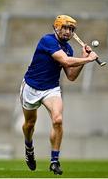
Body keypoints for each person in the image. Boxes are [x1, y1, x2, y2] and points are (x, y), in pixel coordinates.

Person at [20, 15, 98, 175]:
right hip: (31, 87)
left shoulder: (68, 49)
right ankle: (29, 147)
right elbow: (67, 61)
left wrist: (84, 59)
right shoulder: (47, 40)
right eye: (65, 28)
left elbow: (71, 76)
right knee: (29, 124)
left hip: (51, 89)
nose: (68, 32)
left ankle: (54, 161)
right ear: (57, 27)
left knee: (58, 120)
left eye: (71, 29)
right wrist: (89, 60)